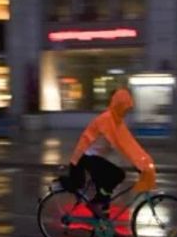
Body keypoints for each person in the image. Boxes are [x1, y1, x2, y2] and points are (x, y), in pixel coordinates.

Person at [62, 88, 157, 218]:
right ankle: (95, 204)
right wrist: (138, 164)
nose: (126, 111)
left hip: (94, 157)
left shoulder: (116, 120)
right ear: (118, 105)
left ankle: (105, 226)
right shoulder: (107, 120)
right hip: (85, 157)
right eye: (125, 108)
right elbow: (121, 145)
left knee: (105, 191)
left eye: (128, 109)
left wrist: (143, 161)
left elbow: (129, 142)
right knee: (117, 175)